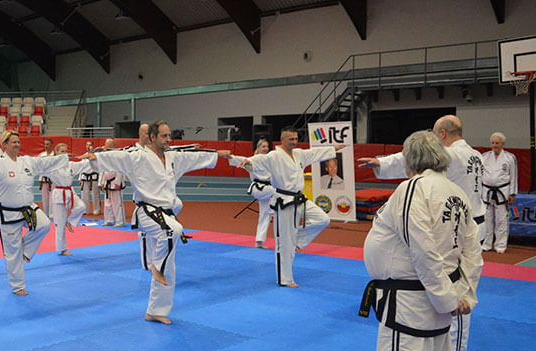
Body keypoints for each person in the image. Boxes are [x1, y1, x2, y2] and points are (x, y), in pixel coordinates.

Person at [359, 130, 482, 351]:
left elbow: (422, 250)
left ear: (410, 159)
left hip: (412, 299)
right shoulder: (456, 191)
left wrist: (446, 299)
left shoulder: (414, 188)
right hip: (437, 294)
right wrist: (463, 294)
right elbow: (472, 251)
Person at [358, 114, 485, 351]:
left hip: (451, 220)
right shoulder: (475, 155)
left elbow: (415, 155)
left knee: (449, 275)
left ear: (443, 134)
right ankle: (454, 338)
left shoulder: (448, 157)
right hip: (465, 215)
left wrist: (381, 162)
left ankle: (456, 345)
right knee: (457, 275)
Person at [83, 120, 231, 325]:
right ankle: (155, 266)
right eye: (164, 136)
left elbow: (194, 156)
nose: (168, 139)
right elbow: (117, 157)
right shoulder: (137, 157)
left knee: (170, 266)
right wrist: (96, 157)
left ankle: (155, 310)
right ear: (152, 137)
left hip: (166, 213)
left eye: (169, 135)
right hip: (147, 210)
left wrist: (216, 155)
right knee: (173, 231)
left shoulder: (173, 157)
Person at [235, 127, 343, 287]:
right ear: (283, 139)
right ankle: (285, 279)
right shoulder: (274, 156)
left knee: (323, 219)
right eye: (291, 139)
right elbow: (259, 161)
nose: (294, 142)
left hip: (299, 198)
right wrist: (249, 162)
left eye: (296, 139)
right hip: (283, 201)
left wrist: (332, 149)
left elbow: (315, 153)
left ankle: (298, 240)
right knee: (284, 243)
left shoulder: (299, 154)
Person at [0, 131, 68, 294]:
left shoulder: (27, 161)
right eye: (13, 142)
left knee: (44, 224)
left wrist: (64, 157)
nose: (17, 144)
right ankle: (18, 286)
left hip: (27, 207)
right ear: (5, 144)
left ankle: (26, 251)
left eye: (18, 142)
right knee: (12, 252)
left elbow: (45, 163)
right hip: (7, 213)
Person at [49, 143, 91, 255]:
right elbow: (38, 167)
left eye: (65, 151)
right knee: (59, 224)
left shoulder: (70, 165)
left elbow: (85, 165)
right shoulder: (50, 166)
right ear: (56, 152)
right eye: (62, 151)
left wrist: (90, 156)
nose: (64, 153)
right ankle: (62, 249)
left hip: (70, 191)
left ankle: (70, 221)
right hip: (58, 193)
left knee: (82, 206)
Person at [481, 132, 517, 253]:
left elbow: (514, 176)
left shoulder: (510, 158)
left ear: (503, 144)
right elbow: (480, 175)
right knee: (487, 219)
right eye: (493, 143)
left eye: (497, 143)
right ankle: (486, 244)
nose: (494, 145)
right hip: (487, 191)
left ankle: (500, 245)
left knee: (501, 220)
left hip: (502, 191)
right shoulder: (484, 157)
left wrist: (512, 193)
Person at [246, 139, 275, 248]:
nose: (266, 149)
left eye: (267, 147)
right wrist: (247, 164)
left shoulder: (269, 161)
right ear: (258, 148)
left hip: (267, 189)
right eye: (263, 146)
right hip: (259, 188)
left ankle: (259, 241)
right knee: (279, 192)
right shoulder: (252, 160)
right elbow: (246, 165)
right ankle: (273, 210)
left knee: (264, 214)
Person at [79, 140, 101, 215]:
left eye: (90, 145)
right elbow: (81, 167)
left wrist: (100, 180)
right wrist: (80, 178)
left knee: (95, 194)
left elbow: (99, 167)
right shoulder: (84, 156)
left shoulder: (96, 156)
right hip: (85, 176)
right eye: (87, 145)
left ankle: (96, 209)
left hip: (94, 176)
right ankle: (85, 210)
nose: (88, 146)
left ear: (93, 146)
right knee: (84, 195)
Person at [38, 138, 55, 218]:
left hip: (53, 179)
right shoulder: (41, 155)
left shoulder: (55, 155)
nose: (46, 146)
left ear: (51, 145)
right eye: (45, 144)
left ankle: (52, 214)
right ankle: (45, 213)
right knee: (44, 198)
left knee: (52, 197)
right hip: (44, 179)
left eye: (47, 144)